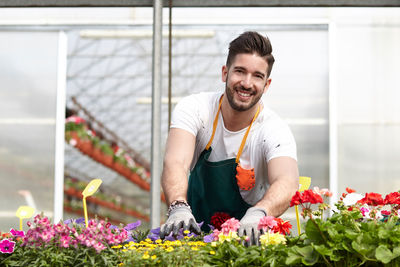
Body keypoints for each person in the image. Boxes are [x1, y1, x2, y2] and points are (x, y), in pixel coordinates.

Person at [159, 31, 299, 245]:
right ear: (225, 73)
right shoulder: (195, 109)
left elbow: (287, 181)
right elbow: (176, 161)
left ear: (267, 84)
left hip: (247, 241)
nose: (246, 83)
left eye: (257, 76)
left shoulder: (273, 129)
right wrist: (178, 206)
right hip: (192, 233)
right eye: (240, 71)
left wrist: (260, 213)